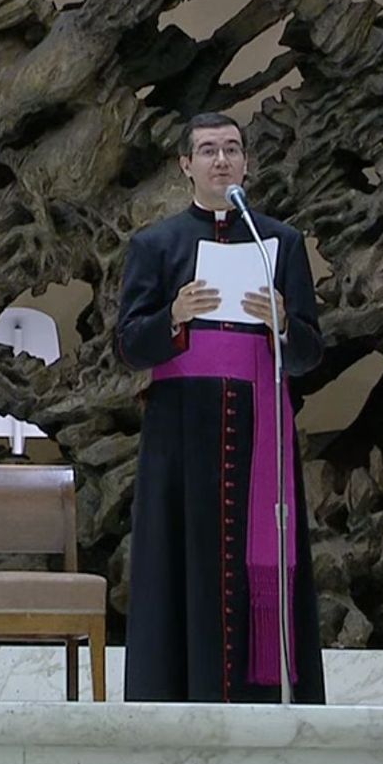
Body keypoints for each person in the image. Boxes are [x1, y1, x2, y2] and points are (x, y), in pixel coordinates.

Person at [116, 112, 325, 703]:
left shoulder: (279, 243)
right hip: (183, 435)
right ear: (186, 165)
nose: (221, 161)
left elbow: (310, 353)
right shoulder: (155, 245)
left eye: (232, 149)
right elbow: (129, 346)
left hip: (261, 431)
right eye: (207, 150)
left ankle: (266, 697)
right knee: (181, 566)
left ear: (246, 162)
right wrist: (174, 316)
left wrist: (284, 324)